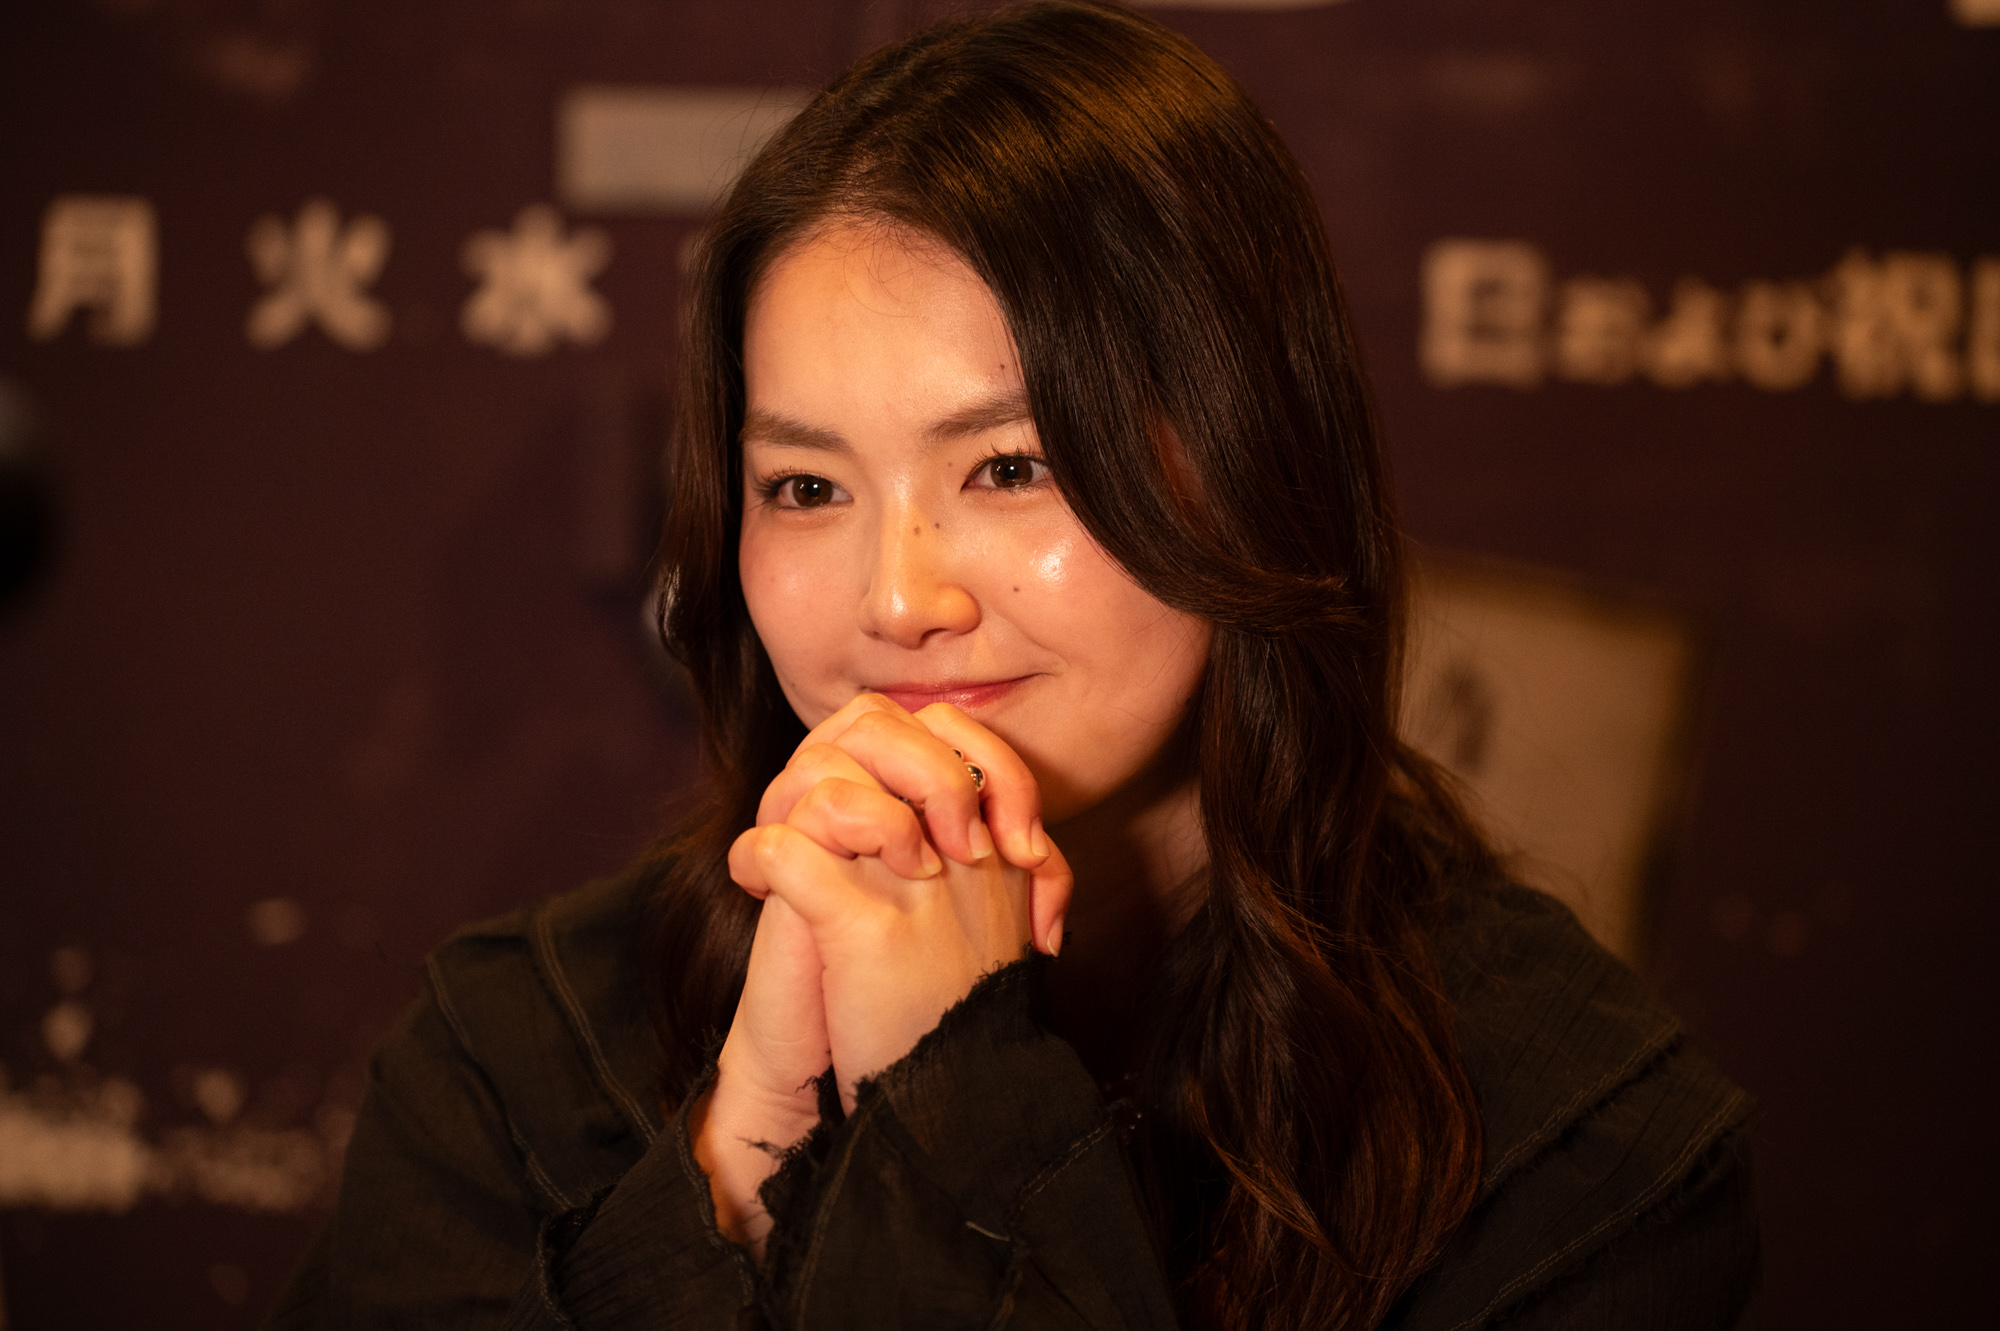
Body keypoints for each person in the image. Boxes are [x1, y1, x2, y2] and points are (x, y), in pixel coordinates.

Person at [269, 3, 1758, 1327]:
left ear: (1256, 462)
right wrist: (736, 1175)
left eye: (1011, 467)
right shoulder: (517, 1057)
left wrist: (955, 1095)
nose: (897, 599)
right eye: (805, 487)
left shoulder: (1572, 1147)